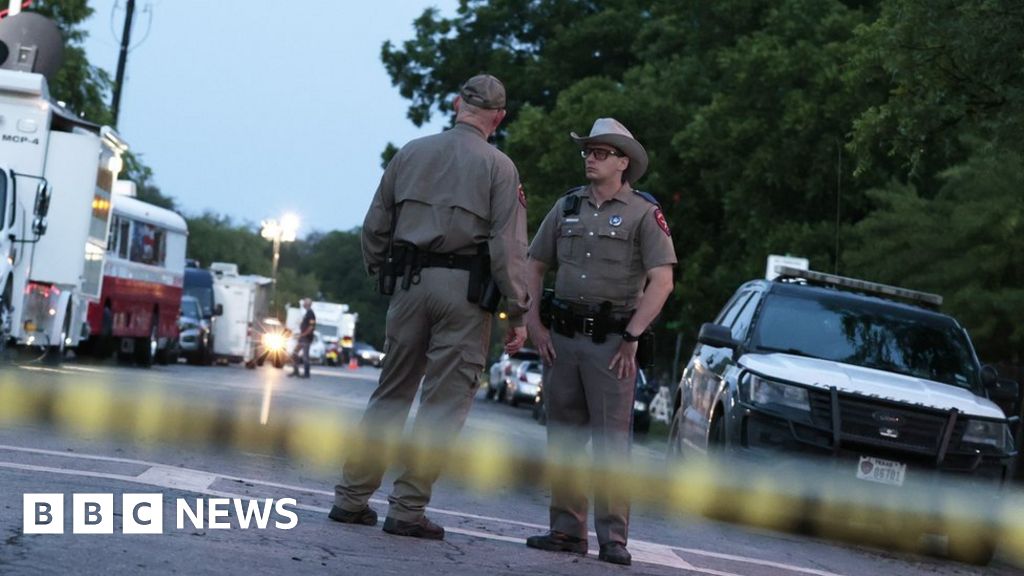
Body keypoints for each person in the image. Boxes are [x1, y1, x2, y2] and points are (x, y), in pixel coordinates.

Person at [329, 74, 530, 540]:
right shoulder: (500, 168)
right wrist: (517, 312)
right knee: (442, 404)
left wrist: (383, 272)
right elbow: (507, 248)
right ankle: (407, 509)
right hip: (463, 294)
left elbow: (375, 224)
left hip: (409, 285)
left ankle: (351, 498)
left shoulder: (411, 152)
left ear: (457, 104)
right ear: (498, 118)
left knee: (391, 393)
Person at [524, 118, 676, 566]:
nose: (591, 158)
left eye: (601, 152)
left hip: (612, 344)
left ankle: (614, 539)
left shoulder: (643, 213)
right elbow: (534, 264)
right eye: (588, 151)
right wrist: (533, 323)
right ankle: (566, 531)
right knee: (564, 439)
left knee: (612, 444)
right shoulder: (567, 206)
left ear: (623, 162)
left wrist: (633, 335)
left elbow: (662, 281)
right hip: (562, 339)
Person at [290, 298, 316, 378]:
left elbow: (311, 327)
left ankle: (306, 373)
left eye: (304, 303)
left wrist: (303, 334)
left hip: (306, 338)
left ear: (308, 304)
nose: (303, 304)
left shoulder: (311, 314)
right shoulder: (307, 313)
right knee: (294, 353)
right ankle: (295, 370)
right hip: (303, 337)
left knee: (305, 356)